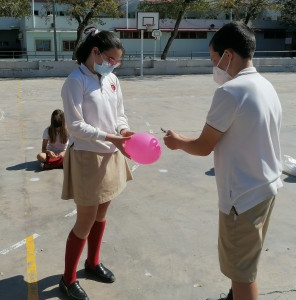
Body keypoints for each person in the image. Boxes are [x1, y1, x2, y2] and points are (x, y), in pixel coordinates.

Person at [163, 22, 282, 300]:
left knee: (242, 274)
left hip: (242, 198)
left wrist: (178, 141)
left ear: (228, 55)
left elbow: (203, 146)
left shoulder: (230, 92)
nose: (214, 66)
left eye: (214, 60)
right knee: (246, 263)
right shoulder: (265, 86)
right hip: (265, 188)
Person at [59, 27, 134, 300]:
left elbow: (120, 114)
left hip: (112, 154)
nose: (114, 65)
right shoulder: (75, 81)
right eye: (111, 59)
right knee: (85, 220)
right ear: (95, 52)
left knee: (102, 214)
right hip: (88, 156)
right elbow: (75, 126)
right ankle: (68, 279)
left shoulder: (112, 80)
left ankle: (92, 263)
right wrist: (110, 136)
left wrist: (123, 131)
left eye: (117, 61)